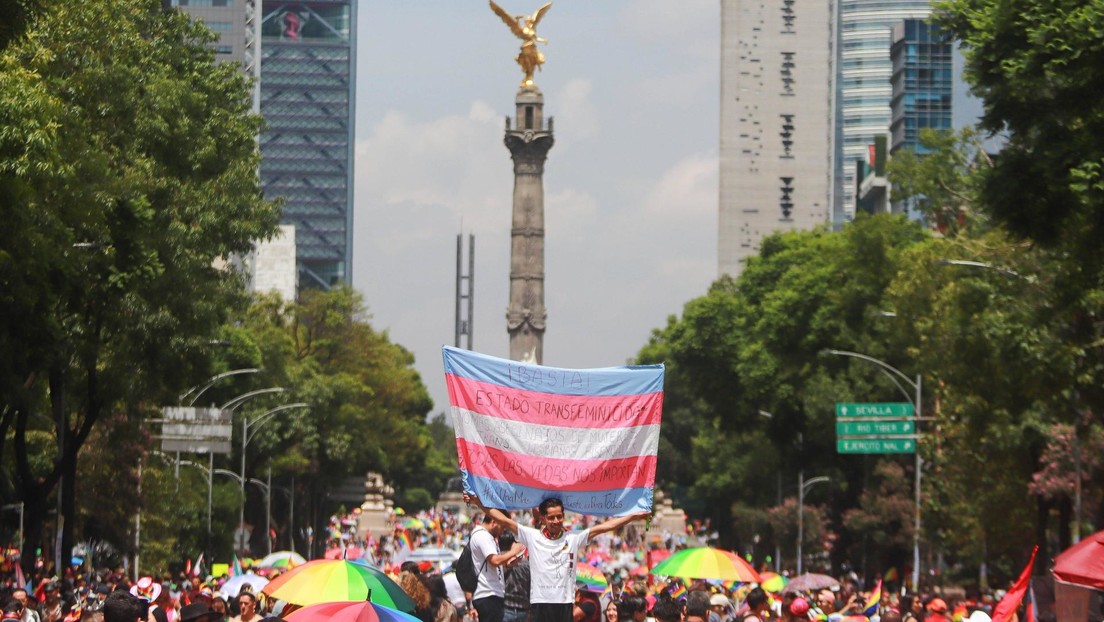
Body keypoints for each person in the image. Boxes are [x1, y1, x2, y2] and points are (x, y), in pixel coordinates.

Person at [467, 494, 649, 622]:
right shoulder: (532, 536)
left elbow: (605, 527)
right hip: (540, 603)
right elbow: (503, 520)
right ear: (543, 518)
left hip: (564, 603)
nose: (556, 521)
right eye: (551, 517)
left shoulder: (574, 538)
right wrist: (477, 501)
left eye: (559, 517)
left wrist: (634, 516)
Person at [470, 512, 525, 622]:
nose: (503, 530)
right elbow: (494, 560)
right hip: (488, 594)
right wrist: (513, 551)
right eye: (503, 526)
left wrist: (508, 563)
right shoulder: (482, 535)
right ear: (494, 521)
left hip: (491, 594)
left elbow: (492, 563)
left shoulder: (486, 536)